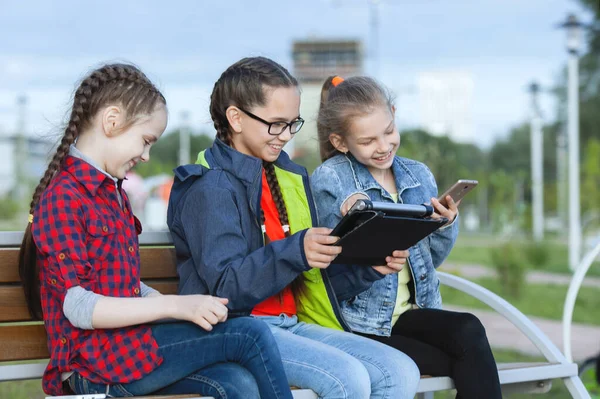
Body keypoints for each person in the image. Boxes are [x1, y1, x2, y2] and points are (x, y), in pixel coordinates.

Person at [18, 63, 293, 399]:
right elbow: (78, 307)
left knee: (238, 382)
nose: (147, 156)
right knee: (250, 334)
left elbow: (123, 285)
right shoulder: (64, 197)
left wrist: (179, 305)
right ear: (112, 121)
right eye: (145, 141)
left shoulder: (112, 193)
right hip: (96, 369)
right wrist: (175, 308)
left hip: (129, 352)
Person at [167, 56, 420, 399]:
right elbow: (226, 286)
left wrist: (367, 270)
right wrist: (295, 250)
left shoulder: (286, 177)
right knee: (348, 379)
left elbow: (310, 280)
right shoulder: (211, 188)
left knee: (400, 371)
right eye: (276, 124)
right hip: (238, 329)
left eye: (292, 123)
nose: (285, 135)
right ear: (236, 118)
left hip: (292, 324)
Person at [310, 75, 502, 399]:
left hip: (411, 314)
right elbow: (325, 277)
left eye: (388, 132)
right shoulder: (331, 180)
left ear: (395, 115)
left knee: (469, 330)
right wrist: (360, 245)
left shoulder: (417, 175)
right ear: (341, 142)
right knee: (458, 360)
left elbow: (430, 260)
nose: (384, 146)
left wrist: (444, 224)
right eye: (368, 141)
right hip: (358, 323)